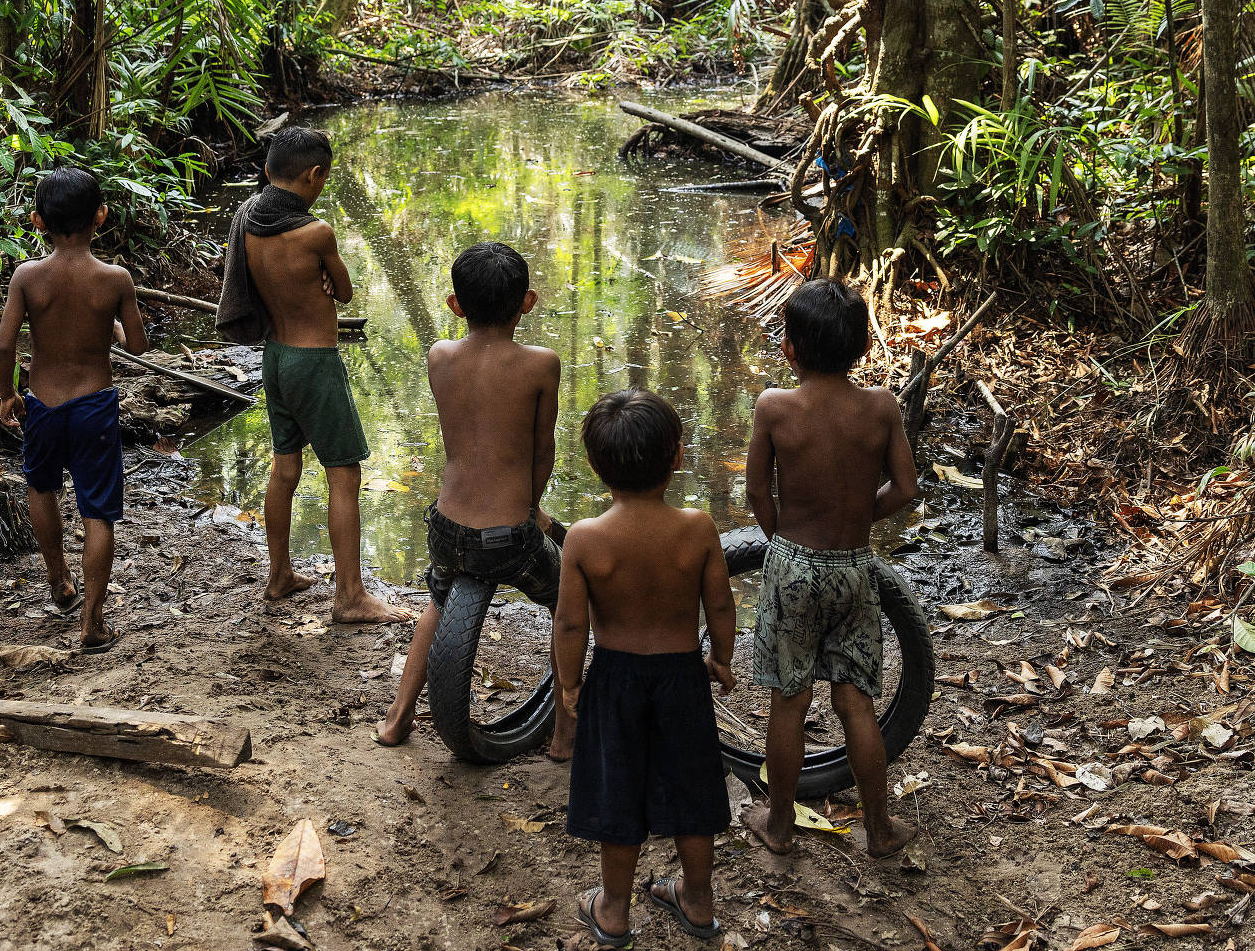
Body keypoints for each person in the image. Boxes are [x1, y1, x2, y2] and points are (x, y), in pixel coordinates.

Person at [739, 278, 919, 859]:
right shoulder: (882, 406)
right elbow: (907, 488)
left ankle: (781, 824)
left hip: (793, 562)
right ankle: (880, 830)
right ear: (864, 347)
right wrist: (860, 516)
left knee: (789, 701)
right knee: (856, 699)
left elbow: (758, 496)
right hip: (853, 567)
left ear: (789, 348)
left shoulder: (774, 407)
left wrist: (783, 541)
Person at [554, 389, 736, 947]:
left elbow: (569, 625)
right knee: (692, 792)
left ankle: (612, 909)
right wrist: (721, 659)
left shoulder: (586, 539)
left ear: (594, 464)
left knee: (618, 791)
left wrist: (569, 683)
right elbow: (722, 604)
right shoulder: (698, 528)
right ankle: (698, 901)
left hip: (614, 681)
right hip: (681, 677)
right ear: (677, 456)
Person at [214, 125, 410, 623]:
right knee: (344, 474)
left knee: (286, 467)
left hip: (275, 357)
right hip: (314, 361)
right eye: (324, 179)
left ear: (266, 171)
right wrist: (327, 269)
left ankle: (278, 574)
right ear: (315, 174)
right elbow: (343, 293)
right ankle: (350, 596)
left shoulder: (249, 221)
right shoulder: (317, 232)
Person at [375, 241, 565, 751]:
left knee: (436, 604)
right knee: (567, 600)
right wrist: (532, 508)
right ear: (528, 301)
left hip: (446, 527)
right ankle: (565, 729)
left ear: (455, 306)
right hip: (509, 538)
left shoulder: (439, 355)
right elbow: (540, 452)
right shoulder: (542, 365)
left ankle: (397, 718)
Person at [0, 167, 147, 653]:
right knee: (97, 509)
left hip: (42, 403)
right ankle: (92, 622)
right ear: (101, 216)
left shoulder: (27, 277)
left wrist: (6, 394)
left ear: (37, 220)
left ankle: (59, 580)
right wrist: (115, 331)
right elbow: (139, 345)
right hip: (94, 406)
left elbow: (3, 345)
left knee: (42, 487)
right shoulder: (115, 279)